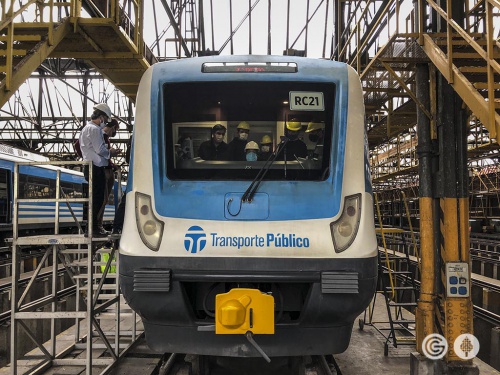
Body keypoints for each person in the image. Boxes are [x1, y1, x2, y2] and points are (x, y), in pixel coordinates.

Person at [79, 103, 120, 236]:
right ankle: (93, 229)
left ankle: (92, 228)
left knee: (96, 199)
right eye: (105, 120)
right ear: (101, 117)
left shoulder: (87, 128)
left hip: (91, 166)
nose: (105, 123)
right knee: (98, 199)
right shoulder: (94, 129)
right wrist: (111, 152)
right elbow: (100, 150)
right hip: (95, 168)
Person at [96, 119, 120, 234]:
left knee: (104, 200)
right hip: (103, 170)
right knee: (102, 199)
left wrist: (112, 164)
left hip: (107, 168)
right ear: (113, 127)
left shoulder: (104, 137)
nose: (114, 133)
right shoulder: (98, 134)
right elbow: (77, 145)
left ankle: (98, 225)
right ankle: (97, 225)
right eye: (115, 130)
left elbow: (104, 155)